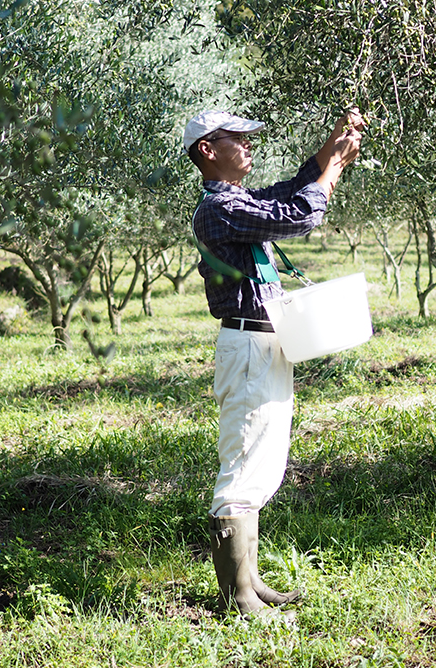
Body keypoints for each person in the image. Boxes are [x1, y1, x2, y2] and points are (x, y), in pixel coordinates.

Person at [185, 109, 364, 616]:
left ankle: (250, 581)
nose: (247, 146)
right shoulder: (219, 209)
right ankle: (238, 597)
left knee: (261, 465)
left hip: (264, 345)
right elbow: (300, 215)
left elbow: (291, 190)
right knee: (243, 468)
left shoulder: (235, 201)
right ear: (207, 150)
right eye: (235, 139)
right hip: (247, 348)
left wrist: (332, 150)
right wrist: (331, 175)